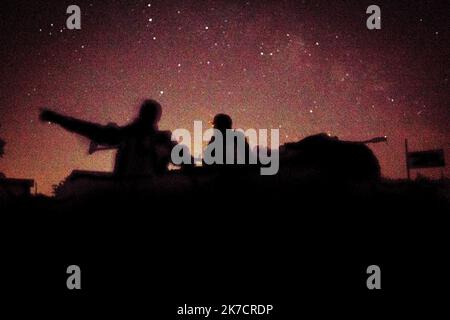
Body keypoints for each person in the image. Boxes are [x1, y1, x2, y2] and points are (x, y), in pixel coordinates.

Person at [40, 99, 185, 177]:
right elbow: (187, 162)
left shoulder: (125, 135)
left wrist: (57, 118)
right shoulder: (163, 139)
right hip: (142, 193)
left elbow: (89, 129)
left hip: (131, 193)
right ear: (157, 118)